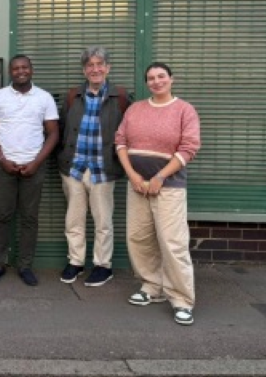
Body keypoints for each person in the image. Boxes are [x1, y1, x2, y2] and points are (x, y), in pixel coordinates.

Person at [115, 62, 201, 326]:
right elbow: (121, 142)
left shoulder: (184, 110)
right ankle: (151, 287)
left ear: (171, 79)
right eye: (151, 78)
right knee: (139, 238)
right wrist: (133, 175)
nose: (156, 81)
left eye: (161, 76)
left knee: (172, 243)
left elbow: (189, 148)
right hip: (138, 185)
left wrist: (160, 177)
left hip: (169, 187)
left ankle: (182, 299)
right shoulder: (135, 109)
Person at [57, 46, 130, 287]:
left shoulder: (120, 98)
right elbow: (61, 130)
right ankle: (75, 261)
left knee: (103, 221)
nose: (95, 69)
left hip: (103, 169)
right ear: (84, 70)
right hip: (74, 168)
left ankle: (102, 265)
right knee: (74, 220)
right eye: (90, 65)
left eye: (100, 65)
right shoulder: (72, 96)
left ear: (108, 68)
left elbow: (129, 132)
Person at [0, 54, 59, 287]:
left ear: (31, 70)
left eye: (24, 67)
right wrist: (2, 158)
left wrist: (36, 162)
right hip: (3, 166)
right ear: (10, 72)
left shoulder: (44, 98)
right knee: (3, 216)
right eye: (15, 68)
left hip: (33, 166)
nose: (20, 71)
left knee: (29, 218)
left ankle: (25, 265)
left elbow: (53, 133)